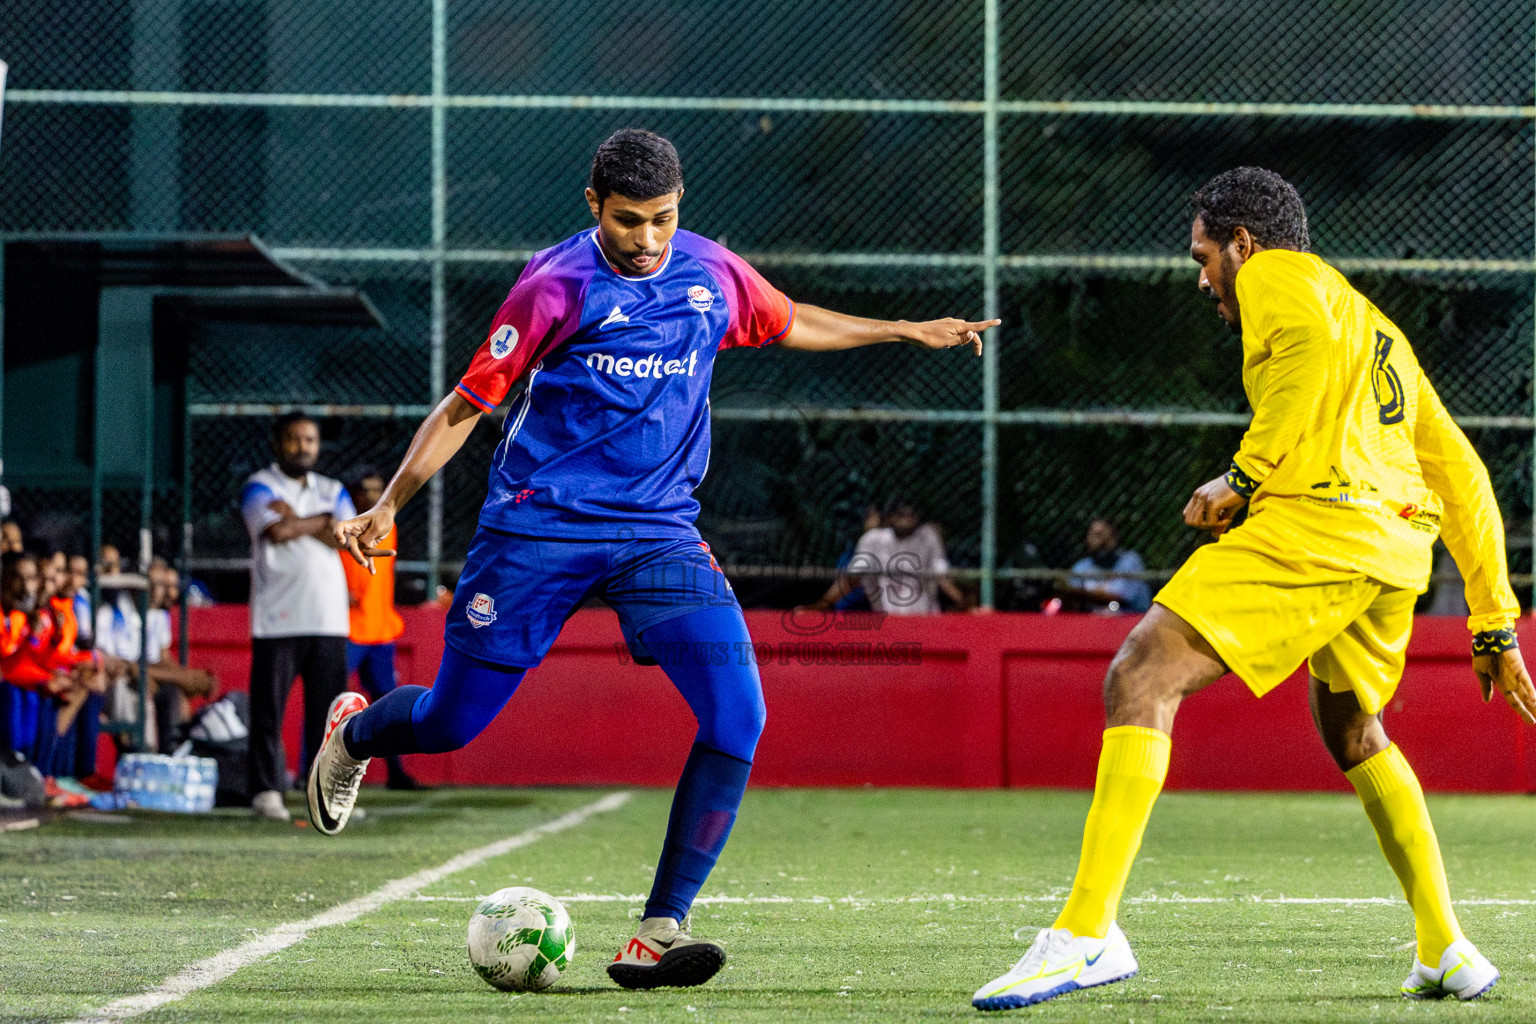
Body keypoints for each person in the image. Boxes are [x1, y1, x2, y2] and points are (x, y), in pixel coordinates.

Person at [307, 128, 997, 990]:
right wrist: (387, 506)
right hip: (537, 529)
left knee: (738, 716)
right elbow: (465, 407)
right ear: (594, 206)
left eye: (664, 219)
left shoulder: (711, 271)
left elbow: (790, 320)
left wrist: (901, 330)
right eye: (629, 221)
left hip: (657, 535)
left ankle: (660, 930)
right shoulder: (553, 287)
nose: (648, 240)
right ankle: (358, 729)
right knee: (451, 725)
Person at [972, 167, 1536, 1010]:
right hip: (1393, 552)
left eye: (1204, 255)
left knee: (1142, 672)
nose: (1202, 278)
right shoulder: (1377, 328)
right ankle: (1444, 946)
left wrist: (1246, 473)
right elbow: (1462, 474)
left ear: (1243, 241)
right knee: (1351, 725)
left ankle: (1085, 936)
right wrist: (1493, 623)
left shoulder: (1281, 274)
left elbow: (1303, 348)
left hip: (1322, 525)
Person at [241, 412, 354, 821]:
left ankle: (325, 793)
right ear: (278, 444)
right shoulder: (259, 485)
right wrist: (322, 521)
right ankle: (266, 790)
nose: (303, 447)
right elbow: (275, 533)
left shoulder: (333, 488)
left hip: (329, 618)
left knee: (330, 717)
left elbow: (345, 537)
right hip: (278, 617)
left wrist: (302, 520)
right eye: (294, 439)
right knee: (269, 710)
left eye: (309, 440)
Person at [340, 468, 419, 790]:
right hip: (349, 631)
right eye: (366, 490)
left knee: (388, 705)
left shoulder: (388, 526)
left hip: (381, 630)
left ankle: (396, 773)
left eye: (378, 489)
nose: (373, 496)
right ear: (354, 494)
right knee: (332, 701)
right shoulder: (343, 529)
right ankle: (309, 769)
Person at [811, 495, 967, 614]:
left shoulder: (927, 536)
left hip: (924, 619)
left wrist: (965, 604)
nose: (907, 517)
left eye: (912, 514)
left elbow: (942, 575)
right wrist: (823, 604)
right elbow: (852, 578)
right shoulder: (874, 540)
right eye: (901, 514)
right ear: (889, 516)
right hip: (890, 620)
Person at [1061, 518, 1151, 614]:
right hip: (1093, 621)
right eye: (1090, 534)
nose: (1090, 539)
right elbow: (1068, 589)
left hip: (1129, 619)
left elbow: (1117, 597)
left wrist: (1080, 593)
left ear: (1113, 537)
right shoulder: (1085, 564)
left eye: (1098, 535)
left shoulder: (1130, 561)